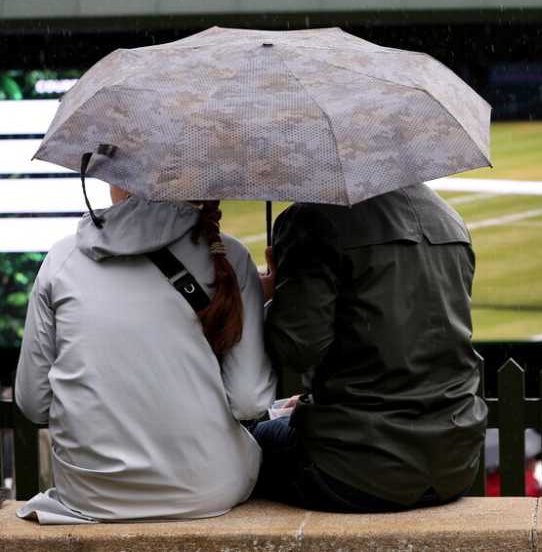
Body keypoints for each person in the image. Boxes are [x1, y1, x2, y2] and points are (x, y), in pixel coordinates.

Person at [15, 186, 275, 524]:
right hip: (207, 489)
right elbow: (250, 400)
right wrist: (257, 302)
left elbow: (33, 403)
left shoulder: (62, 259)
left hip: (89, 493)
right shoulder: (229, 257)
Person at [253, 184, 486, 512]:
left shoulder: (312, 217)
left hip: (356, 468)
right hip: (454, 463)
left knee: (245, 442)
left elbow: (296, 347)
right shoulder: (448, 218)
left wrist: (275, 294)